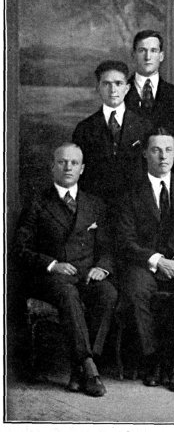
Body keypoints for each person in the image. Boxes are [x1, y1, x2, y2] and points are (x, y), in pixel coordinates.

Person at [14, 143, 117, 397]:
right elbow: (19, 249)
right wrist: (52, 264)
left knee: (107, 293)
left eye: (74, 163)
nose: (68, 167)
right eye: (62, 162)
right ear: (52, 167)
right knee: (68, 294)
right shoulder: (38, 203)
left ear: (82, 169)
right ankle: (89, 368)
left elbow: (108, 247)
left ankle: (79, 367)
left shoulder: (95, 204)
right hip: (49, 277)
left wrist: (102, 267)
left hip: (85, 274)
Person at [117, 129, 174, 392]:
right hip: (144, 262)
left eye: (168, 150)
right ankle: (152, 359)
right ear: (145, 153)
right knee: (136, 290)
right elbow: (125, 239)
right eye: (156, 150)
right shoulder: (130, 191)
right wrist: (156, 260)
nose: (163, 156)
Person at [72, 60, 153, 207]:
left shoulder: (144, 127)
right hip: (96, 207)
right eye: (106, 84)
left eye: (118, 83)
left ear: (127, 88)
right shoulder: (84, 129)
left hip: (135, 207)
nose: (113, 90)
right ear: (98, 88)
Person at [124, 30, 174, 135]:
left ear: (161, 56)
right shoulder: (120, 93)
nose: (147, 57)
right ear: (133, 55)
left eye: (153, 51)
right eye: (142, 50)